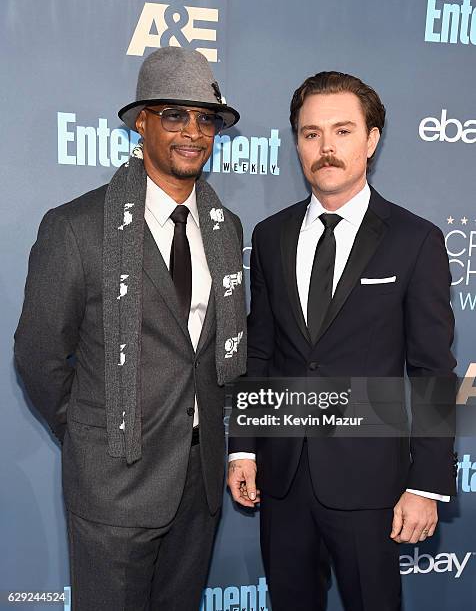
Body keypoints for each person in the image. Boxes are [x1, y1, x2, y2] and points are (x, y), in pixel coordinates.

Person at [15, 47, 246, 611]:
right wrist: (95, 426)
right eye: (174, 114)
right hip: (114, 482)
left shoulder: (225, 228)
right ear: (140, 122)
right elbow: (39, 356)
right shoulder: (75, 227)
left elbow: (218, 353)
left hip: (198, 481)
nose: (193, 132)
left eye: (205, 118)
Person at [228, 71, 457, 611]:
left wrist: (426, 484)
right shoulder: (270, 235)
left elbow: (432, 371)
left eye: (343, 131)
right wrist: (242, 447)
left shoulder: (414, 239)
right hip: (282, 477)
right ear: (297, 143)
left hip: (370, 482)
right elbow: (259, 350)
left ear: (372, 139)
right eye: (311, 134)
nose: (326, 148)